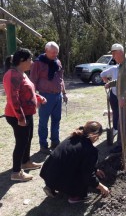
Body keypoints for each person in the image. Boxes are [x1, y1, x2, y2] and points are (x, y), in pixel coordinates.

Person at [3, 48, 47, 182]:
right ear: (22, 60)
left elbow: (27, 91)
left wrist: (38, 97)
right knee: (21, 142)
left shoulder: (22, 73)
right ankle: (16, 172)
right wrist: (20, 118)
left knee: (28, 138)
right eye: (30, 59)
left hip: (27, 114)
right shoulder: (12, 75)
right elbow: (13, 98)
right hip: (17, 116)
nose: (32, 62)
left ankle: (26, 162)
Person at [40, 121, 110, 204]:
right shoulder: (90, 150)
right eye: (98, 136)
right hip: (59, 177)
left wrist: (95, 169)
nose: (97, 139)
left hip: (48, 173)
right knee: (83, 178)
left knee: (68, 167)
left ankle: (51, 186)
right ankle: (76, 196)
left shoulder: (74, 137)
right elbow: (88, 175)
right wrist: (101, 187)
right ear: (94, 135)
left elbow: (75, 159)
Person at [30, 41, 68, 154]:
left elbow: (61, 79)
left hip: (58, 96)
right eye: (52, 53)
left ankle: (55, 142)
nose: (55, 55)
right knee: (43, 122)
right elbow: (32, 81)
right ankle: (43, 145)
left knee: (56, 120)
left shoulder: (57, 61)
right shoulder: (37, 63)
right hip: (44, 96)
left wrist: (64, 93)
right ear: (46, 51)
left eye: (56, 53)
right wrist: (35, 98)